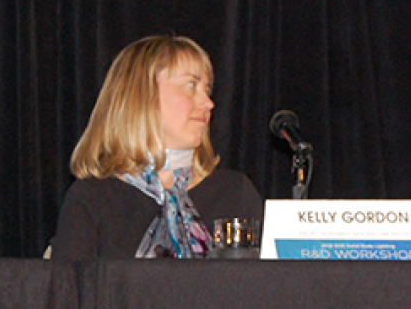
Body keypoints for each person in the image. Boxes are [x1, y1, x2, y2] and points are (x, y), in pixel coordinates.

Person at [49, 35, 264, 260]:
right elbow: (69, 291)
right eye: (191, 86)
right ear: (142, 96)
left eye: (206, 90)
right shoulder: (93, 199)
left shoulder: (234, 193)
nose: (208, 103)